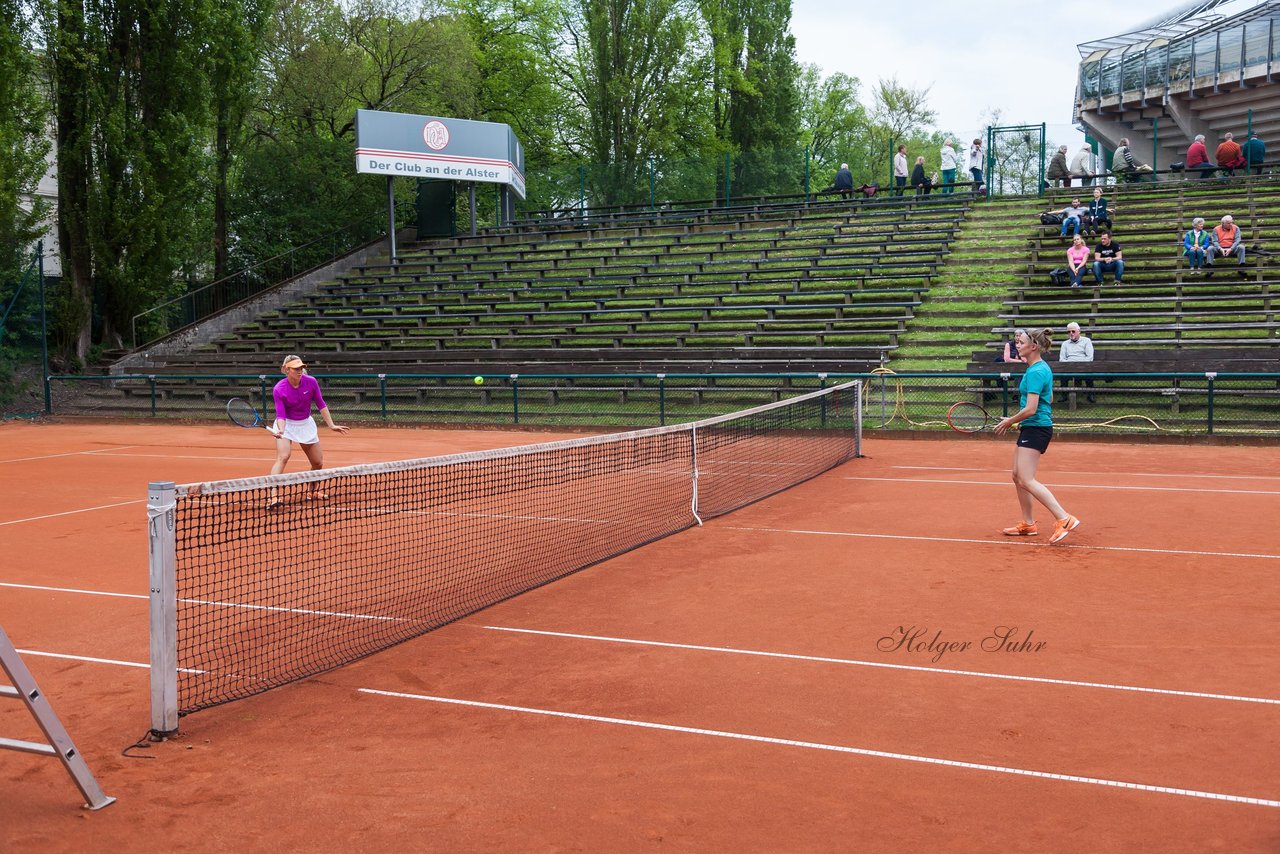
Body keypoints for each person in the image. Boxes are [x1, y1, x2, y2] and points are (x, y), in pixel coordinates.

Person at [995, 328, 1081, 544]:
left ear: (1033, 346)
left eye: (1021, 342)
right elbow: (1049, 398)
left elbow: (1032, 408)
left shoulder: (1035, 371)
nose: (1017, 344)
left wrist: (1011, 420)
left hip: (1036, 427)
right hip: (1033, 426)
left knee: (1026, 478)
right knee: (1017, 476)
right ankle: (1028, 523)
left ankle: (1064, 518)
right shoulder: (1039, 368)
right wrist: (1021, 420)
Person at [269, 354, 350, 505]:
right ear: (287, 370)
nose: (299, 371)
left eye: (301, 368)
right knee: (283, 456)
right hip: (286, 424)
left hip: (305, 424)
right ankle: (273, 496)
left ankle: (312, 491)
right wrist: (281, 430)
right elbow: (281, 414)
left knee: (317, 462)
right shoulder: (279, 389)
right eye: (295, 368)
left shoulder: (311, 382)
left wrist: (331, 425)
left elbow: (321, 404)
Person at [1058, 321, 1095, 402]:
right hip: (1068, 367)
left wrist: (1078, 364)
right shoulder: (1064, 344)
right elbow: (1062, 359)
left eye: (1073, 331)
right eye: (1069, 331)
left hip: (1083, 366)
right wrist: (1071, 365)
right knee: (1063, 375)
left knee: (1089, 373)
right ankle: (1064, 395)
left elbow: (1089, 357)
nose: (1071, 333)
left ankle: (1091, 395)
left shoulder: (1086, 341)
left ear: (1079, 331)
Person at [1208, 214, 1247, 278]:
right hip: (1220, 249)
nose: (1230, 224)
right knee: (1210, 248)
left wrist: (1231, 249)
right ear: (1223, 223)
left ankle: (1241, 268)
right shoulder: (1216, 229)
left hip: (1232, 248)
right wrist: (1220, 249)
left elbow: (1237, 240)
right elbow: (1214, 241)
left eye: (1231, 222)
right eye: (1228, 223)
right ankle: (1209, 269)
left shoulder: (1236, 228)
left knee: (1241, 247)